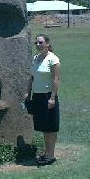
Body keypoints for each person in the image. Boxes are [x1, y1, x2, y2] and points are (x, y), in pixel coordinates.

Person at [27, 34, 61, 165]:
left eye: (41, 42)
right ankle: (47, 153)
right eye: (36, 43)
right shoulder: (36, 58)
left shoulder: (53, 59)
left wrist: (52, 98)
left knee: (51, 127)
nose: (38, 45)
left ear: (47, 44)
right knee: (44, 126)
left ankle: (51, 155)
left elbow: (56, 80)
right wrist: (27, 93)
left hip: (48, 96)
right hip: (37, 96)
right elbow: (31, 77)